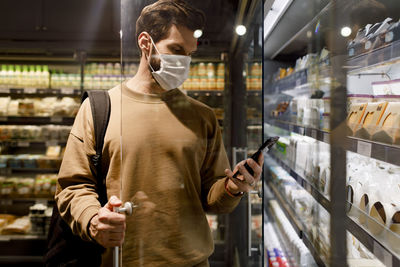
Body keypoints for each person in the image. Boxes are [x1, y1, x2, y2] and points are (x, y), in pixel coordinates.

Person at [55, 0, 264, 266]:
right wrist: (94, 220)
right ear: (145, 42)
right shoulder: (98, 109)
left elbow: (212, 199)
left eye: (189, 54)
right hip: (122, 260)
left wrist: (233, 187)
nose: (184, 62)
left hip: (193, 261)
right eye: (176, 50)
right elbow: (72, 187)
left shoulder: (202, 116)